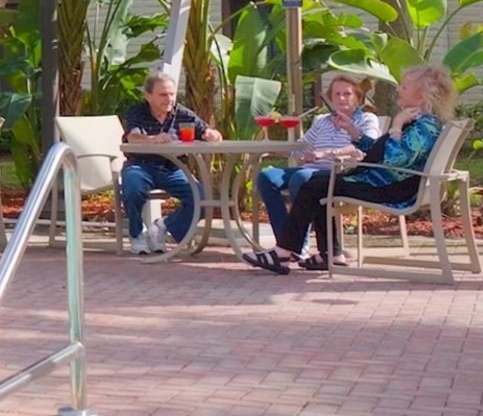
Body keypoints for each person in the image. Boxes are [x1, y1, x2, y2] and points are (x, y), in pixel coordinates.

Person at [245, 64, 455, 274]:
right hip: (386, 182)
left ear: (422, 95)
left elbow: (394, 158)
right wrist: (353, 131)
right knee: (318, 184)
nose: (398, 89)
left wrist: (396, 125)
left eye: (405, 87)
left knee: (315, 187)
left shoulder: (424, 127)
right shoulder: (420, 122)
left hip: (390, 188)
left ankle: (283, 253)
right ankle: (331, 254)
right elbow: (378, 151)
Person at [252, 74, 380, 256]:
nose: (341, 98)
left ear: (358, 98)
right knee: (266, 177)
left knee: (301, 177)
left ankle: (298, 245)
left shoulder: (366, 119)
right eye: (336, 94)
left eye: (347, 94)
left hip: (340, 172)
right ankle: (286, 243)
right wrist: (273, 147)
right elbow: (300, 149)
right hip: (311, 169)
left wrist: (326, 153)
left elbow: (365, 148)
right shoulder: (322, 121)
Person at [120, 71, 222, 254]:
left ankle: (162, 226)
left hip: (173, 168)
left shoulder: (182, 113)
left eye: (171, 94)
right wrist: (153, 139)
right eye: (163, 95)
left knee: (203, 199)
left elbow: (210, 132)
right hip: (141, 165)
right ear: (148, 96)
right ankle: (137, 235)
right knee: (133, 188)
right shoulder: (138, 111)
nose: (169, 99)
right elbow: (132, 137)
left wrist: (212, 134)